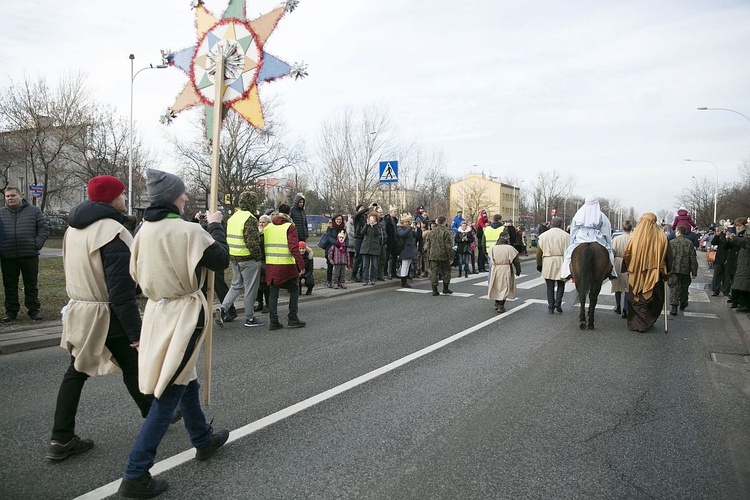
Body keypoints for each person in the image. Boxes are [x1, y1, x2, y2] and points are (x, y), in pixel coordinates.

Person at [118, 169, 230, 498]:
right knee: (169, 391)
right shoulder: (187, 230)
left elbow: (135, 276)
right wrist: (214, 225)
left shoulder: (142, 231)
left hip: (157, 310)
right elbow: (221, 260)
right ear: (172, 197)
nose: (185, 198)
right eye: (181, 194)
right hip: (184, 312)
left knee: (184, 377)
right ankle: (135, 473)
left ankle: (202, 438)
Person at [47, 176, 153, 462]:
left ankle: (61, 437)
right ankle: (156, 415)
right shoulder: (111, 231)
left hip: (81, 308)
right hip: (106, 311)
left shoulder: (73, 228)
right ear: (112, 198)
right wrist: (136, 332)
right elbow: (121, 291)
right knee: (133, 363)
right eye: (121, 194)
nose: (124, 198)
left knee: (76, 372)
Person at [0, 186, 49, 321]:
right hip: (7, 256)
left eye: (13, 195)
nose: (10, 198)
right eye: (7, 196)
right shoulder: (1, 213)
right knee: (9, 286)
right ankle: (11, 312)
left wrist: (36, 244)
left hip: (29, 255)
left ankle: (33, 310)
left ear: (21, 196)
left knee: (31, 284)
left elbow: (44, 228)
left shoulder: (34, 211)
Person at [216, 191, 264, 328]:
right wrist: (258, 258)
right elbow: (252, 243)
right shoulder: (250, 219)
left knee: (236, 285)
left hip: (234, 257)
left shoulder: (233, 218)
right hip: (248, 259)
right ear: (252, 203)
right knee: (250, 289)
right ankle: (249, 318)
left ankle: (223, 308)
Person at [623, 213, 672, 333]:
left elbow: (627, 254)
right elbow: (668, 256)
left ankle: (638, 322)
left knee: (636, 298)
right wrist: (667, 271)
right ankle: (647, 321)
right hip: (655, 274)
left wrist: (628, 267)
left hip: (637, 273)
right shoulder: (662, 237)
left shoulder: (635, 236)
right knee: (653, 298)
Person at [264, 203, 306, 330]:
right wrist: (301, 265)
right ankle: (292, 318)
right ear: (289, 214)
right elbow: (294, 247)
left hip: (271, 265)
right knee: (294, 289)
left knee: (273, 293)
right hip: (287, 265)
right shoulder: (290, 227)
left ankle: (273, 321)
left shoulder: (268, 227)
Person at [560, 195, 616, 281]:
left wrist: (572, 242)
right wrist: (609, 244)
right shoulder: (601, 216)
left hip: (581, 238)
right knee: (609, 253)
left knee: (568, 254)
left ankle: (566, 272)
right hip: (597, 238)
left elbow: (573, 230)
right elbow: (606, 231)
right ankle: (612, 272)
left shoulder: (578, 215)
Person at [536, 217, 570, 314]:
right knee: (561, 283)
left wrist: (539, 264)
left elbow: (539, 252)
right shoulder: (567, 236)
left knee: (549, 286)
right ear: (560, 224)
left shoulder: (543, 236)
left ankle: (551, 307)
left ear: (552, 224)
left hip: (548, 260)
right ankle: (558, 301)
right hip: (561, 260)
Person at [668, 226, 698, 315]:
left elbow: (667, 257)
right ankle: (683, 302)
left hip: (673, 269)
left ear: (677, 231)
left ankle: (674, 307)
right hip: (685, 269)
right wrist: (694, 272)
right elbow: (693, 258)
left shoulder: (671, 242)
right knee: (684, 288)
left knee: (674, 287)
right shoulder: (689, 243)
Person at [487, 232, 521, 313]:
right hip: (506, 268)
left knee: (496, 286)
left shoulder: (492, 248)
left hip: (495, 268)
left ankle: (496, 302)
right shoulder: (509, 248)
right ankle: (501, 305)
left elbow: (490, 259)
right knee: (505, 287)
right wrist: (518, 270)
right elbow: (516, 261)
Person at [726, 217, 749, 312]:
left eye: (740, 226)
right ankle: (737, 301)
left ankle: (743, 303)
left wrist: (734, 238)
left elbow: (745, 243)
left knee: (743, 285)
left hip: (744, 262)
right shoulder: (740, 235)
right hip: (738, 260)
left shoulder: (745, 236)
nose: (738, 228)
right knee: (737, 282)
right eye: (737, 226)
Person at [611, 220, 633, 318]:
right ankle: (626, 308)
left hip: (618, 261)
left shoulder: (616, 239)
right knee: (628, 287)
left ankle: (618, 306)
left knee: (617, 286)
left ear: (622, 228)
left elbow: (612, 251)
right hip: (629, 263)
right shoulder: (633, 239)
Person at [428, 216, 455, 296]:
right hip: (444, 255)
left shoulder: (432, 231)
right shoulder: (446, 232)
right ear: (444, 222)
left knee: (434, 272)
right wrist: (451, 256)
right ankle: (445, 288)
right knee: (446, 271)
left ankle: (434, 290)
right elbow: (449, 246)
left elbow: (429, 243)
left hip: (433, 254)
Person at [358, 210, 385, 286]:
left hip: (375, 247)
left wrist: (374, 225)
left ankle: (373, 279)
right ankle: (365, 279)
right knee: (365, 265)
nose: (371, 220)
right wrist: (367, 225)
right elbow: (362, 232)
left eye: (373, 218)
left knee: (374, 264)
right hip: (365, 247)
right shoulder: (366, 225)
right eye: (370, 218)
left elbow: (377, 233)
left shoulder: (378, 226)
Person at [321, 214, 346, 287]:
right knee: (330, 265)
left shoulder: (343, 229)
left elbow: (345, 238)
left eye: (340, 219)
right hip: (330, 250)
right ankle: (329, 281)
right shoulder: (330, 228)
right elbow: (328, 237)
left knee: (340, 267)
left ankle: (338, 281)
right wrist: (337, 243)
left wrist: (344, 245)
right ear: (334, 220)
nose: (339, 221)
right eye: (337, 219)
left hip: (340, 251)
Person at [481, 214, 505, 282]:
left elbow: (483, 242)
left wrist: (485, 252)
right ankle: (499, 287)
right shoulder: (503, 229)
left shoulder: (487, 229)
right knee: (500, 271)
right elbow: (507, 242)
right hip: (500, 252)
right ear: (500, 220)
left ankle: (490, 287)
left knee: (491, 270)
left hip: (490, 252)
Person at [255, 214, 271, 313]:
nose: (261, 224)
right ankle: (259, 303)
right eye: (260, 222)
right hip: (257, 260)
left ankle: (268, 304)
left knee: (265, 283)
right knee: (257, 284)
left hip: (266, 260)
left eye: (263, 222)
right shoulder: (256, 232)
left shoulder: (269, 232)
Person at [395, 214, 416, 288]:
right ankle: (403, 281)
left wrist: (416, 229)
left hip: (409, 248)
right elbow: (403, 234)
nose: (407, 223)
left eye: (408, 222)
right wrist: (410, 228)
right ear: (402, 222)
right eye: (405, 222)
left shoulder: (408, 229)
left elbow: (415, 235)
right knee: (404, 265)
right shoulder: (399, 229)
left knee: (408, 265)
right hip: (404, 249)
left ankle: (406, 279)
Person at [711, 225, 732, 297]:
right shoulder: (721, 236)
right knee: (717, 274)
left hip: (728, 258)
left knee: (726, 276)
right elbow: (713, 242)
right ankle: (715, 290)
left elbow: (728, 246)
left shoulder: (730, 236)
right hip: (719, 258)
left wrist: (728, 238)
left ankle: (725, 290)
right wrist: (717, 235)